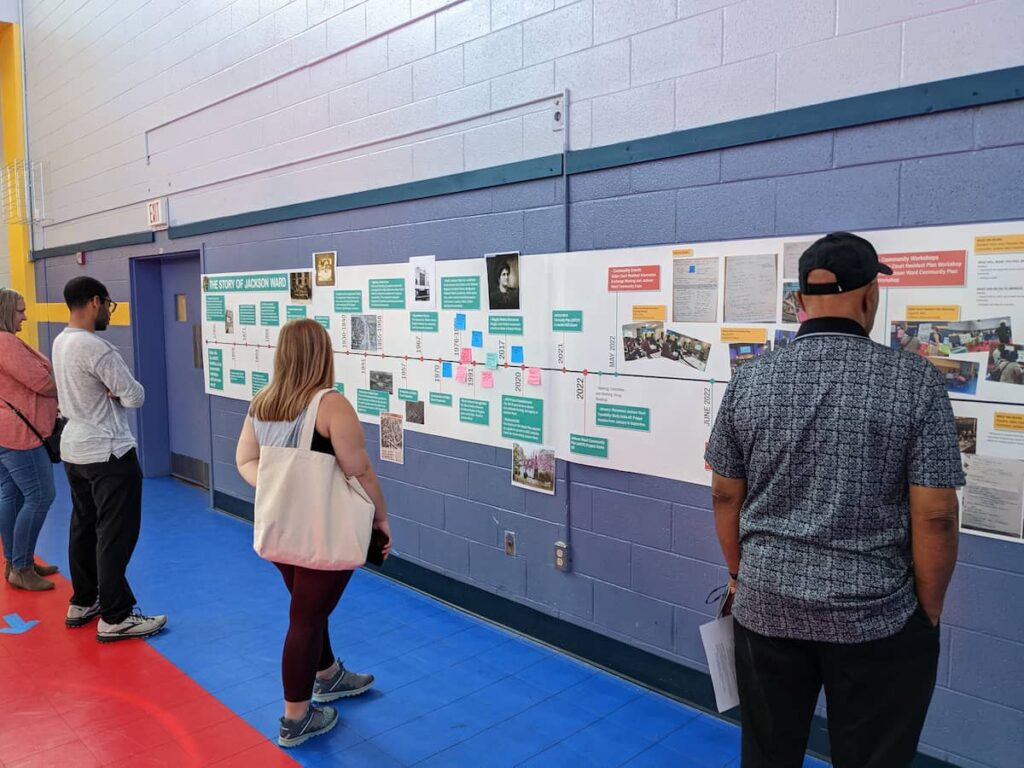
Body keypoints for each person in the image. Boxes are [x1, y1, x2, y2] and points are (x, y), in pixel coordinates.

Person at [706, 232, 963, 768]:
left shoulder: (750, 379)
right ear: (870, 297)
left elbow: (724, 494)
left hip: (766, 603)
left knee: (768, 756)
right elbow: (935, 515)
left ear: (800, 301)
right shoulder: (914, 381)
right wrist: (927, 614)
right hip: (876, 616)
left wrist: (740, 575)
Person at [235, 319, 390, 748]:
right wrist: (381, 519)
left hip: (283, 530)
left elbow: (245, 461)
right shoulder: (331, 405)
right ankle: (296, 718)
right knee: (305, 617)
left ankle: (328, 674)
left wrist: (278, 486)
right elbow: (360, 471)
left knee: (308, 607)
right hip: (322, 529)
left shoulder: (263, 403)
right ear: (323, 354)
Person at [52, 277, 166, 641]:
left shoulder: (61, 341)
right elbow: (134, 396)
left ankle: (84, 600)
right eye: (109, 306)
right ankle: (115, 616)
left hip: (75, 450)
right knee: (115, 534)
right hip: (109, 452)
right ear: (96, 302)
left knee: (84, 527)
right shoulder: (97, 348)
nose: (109, 314)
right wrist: (116, 393)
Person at [0, 288, 59, 591]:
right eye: (20, 310)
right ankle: (21, 567)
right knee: (40, 495)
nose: (25, 315)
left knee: (12, 496)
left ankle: (15, 562)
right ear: (6, 311)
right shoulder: (5, 343)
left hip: (5, 434)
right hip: (20, 436)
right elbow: (42, 383)